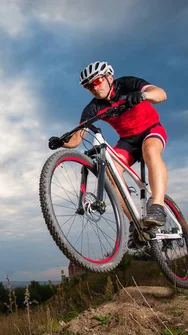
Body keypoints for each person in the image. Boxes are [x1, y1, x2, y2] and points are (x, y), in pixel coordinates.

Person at [48, 61, 168, 231]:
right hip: (128, 141)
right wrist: (62, 142)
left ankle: (157, 206)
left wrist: (144, 96)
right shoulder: (93, 108)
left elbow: (161, 94)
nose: (95, 88)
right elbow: (77, 139)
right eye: (89, 87)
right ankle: (135, 224)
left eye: (97, 81)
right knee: (112, 173)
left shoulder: (127, 84)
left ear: (109, 76)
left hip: (151, 130)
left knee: (150, 149)